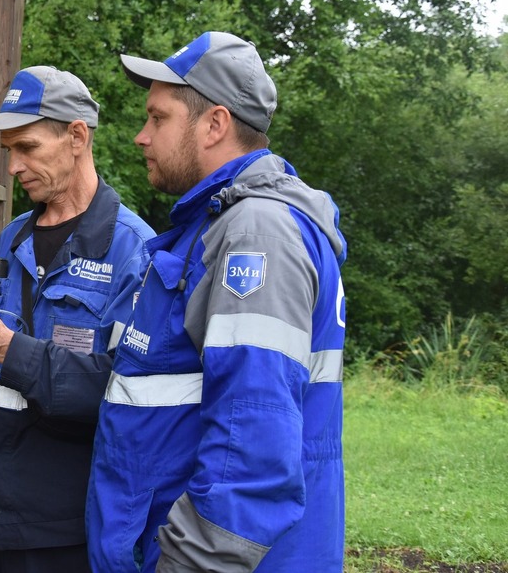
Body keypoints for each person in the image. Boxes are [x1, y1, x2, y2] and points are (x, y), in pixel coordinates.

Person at [86, 32, 348, 572]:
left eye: (157, 118)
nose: (140, 136)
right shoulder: (218, 227)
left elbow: (251, 450)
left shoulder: (256, 234)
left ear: (214, 124)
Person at [0, 65, 156, 572]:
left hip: (66, 524)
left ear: (76, 136)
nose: (13, 166)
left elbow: (124, 392)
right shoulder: (11, 239)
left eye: (27, 148)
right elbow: (5, 377)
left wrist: (6, 350)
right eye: (8, 150)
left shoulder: (133, 252)